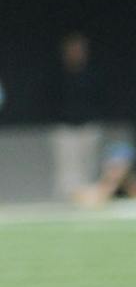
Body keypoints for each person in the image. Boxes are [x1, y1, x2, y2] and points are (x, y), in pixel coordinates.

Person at [45, 33, 104, 204]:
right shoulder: (57, 75)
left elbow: (101, 98)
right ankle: (66, 200)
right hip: (64, 127)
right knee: (67, 168)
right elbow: (48, 99)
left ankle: (88, 199)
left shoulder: (93, 74)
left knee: (89, 165)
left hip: (88, 125)